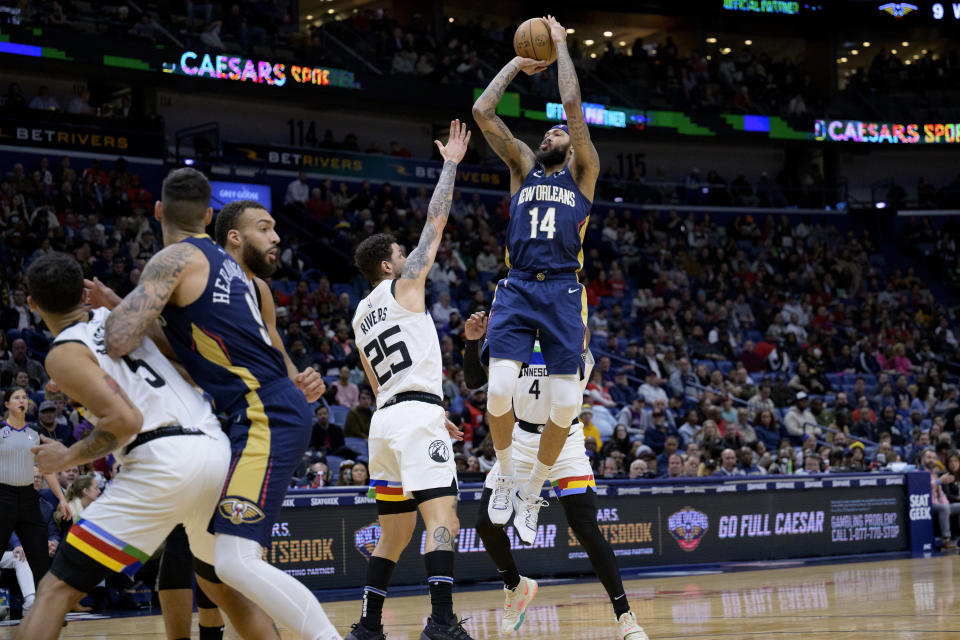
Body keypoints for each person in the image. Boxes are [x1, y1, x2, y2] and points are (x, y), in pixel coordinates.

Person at [101, 169, 339, 640]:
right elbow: (192, 350)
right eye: (264, 228)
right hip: (255, 413)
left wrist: (121, 308)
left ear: (157, 212)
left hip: (261, 413)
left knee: (234, 560)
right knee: (212, 553)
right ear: (210, 218)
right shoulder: (226, 268)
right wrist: (122, 301)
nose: (273, 236)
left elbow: (116, 338)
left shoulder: (175, 259)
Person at [16, 252, 276, 640]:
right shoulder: (123, 319)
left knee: (53, 592)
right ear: (84, 291)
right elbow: (188, 364)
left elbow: (126, 421)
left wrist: (64, 456)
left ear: (31, 303)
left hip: (162, 459)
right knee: (226, 590)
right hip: (213, 446)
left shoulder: (64, 352)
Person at [473, 15, 601, 543]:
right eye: (546, 131)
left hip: (564, 290)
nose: (549, 134)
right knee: (499, 389)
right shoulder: (523, 167)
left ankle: (533, 490)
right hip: (520, 283)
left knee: (567, 405)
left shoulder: (584, 170)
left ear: (570, 147)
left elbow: (571, 108)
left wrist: (564, 46)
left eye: (556, 133)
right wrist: (515, 65)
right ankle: (506, 474)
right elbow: (482, 111)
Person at [345, 120, 473, 640]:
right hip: (414, 418)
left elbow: (380, 383)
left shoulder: (359, 316)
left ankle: (369, 628)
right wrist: (451, 164)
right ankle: (441, 624)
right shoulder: (403, 286)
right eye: (399, 255)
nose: (407, 258)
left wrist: (428, 407)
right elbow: (435, 223)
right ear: (387, 264)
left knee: (393, 534)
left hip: (387, 422)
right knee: (444, 520)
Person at [462, 312, 647, 639]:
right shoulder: (513, 337)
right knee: (483, 523)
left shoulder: (571, 334)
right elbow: (475, 380)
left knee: (586, 528)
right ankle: (515, 587)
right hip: (521, 440)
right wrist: (473, 340)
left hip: (565, 440)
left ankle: (625, 616)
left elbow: (581, 325)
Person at [0, 387, 71, 596]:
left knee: (40, 557)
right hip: (4, 498)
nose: (22, 400)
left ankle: (46, 608)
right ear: (7, 404)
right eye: (16, 397)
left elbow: (46, 470)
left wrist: (62, 498)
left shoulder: (33, 435)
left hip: (29, 499)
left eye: (24, 397)